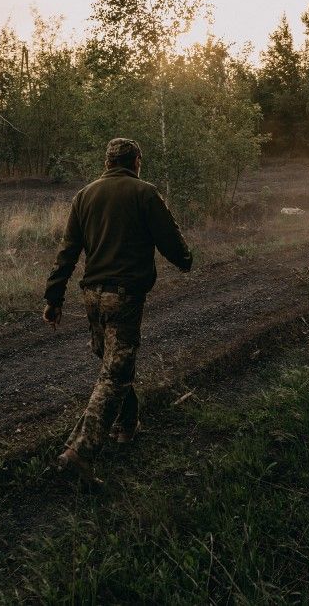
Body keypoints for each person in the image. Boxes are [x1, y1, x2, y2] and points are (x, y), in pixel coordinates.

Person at [43, 137, 192, 486]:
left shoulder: (84, 195)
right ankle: (79, 451)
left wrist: (53, 299)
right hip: (123, 296)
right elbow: (169, 239)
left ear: (107, 162)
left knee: (113, 362)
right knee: (115, 374)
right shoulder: (144, 192)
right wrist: (185, 260)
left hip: (92, 296)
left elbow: (67, 251)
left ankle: (126, 426)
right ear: (136, 160)